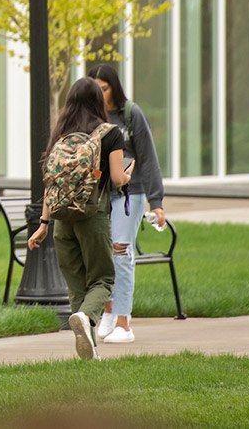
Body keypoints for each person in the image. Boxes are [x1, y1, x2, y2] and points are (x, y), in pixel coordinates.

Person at [26, 77, 133, 361]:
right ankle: (86, 317)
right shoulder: (111, 134)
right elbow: (116, 178)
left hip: (61, 220)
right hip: (92, 216)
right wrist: (129, 174)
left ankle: (89, 351)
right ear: (98, 102)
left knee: (76, 285)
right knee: (103, 279)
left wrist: (43, 224)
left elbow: (51, 182)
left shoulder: (61, 134)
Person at [86, 64, 167, 345]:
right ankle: (108, 311)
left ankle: (124, 322)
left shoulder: (131, 114)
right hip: (101, 195)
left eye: (104, 88)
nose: (100, 94)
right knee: (103, 254)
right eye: (95, 89)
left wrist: (156, 202)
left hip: (131, 194)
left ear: (114, 87)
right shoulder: (91, 117)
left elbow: (147, 157)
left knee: (121, 252)